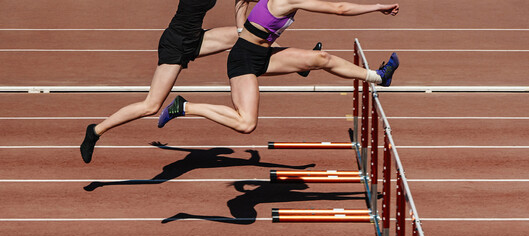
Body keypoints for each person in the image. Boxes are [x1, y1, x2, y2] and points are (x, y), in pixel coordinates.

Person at [80, 0, 319, 164]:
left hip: (196, 38)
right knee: (151, 106)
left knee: (246, 35)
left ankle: (300, 66)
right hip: (175, 44)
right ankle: (96, 130)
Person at [158, 0, 400, 134]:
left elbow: (240, 2)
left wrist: (242, 27)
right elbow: (339, 9)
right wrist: (377, 7)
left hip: (263, 53)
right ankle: (185, 107)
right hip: (243, 60)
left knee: (322, 58)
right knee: (246, 124)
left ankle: (379, 77)